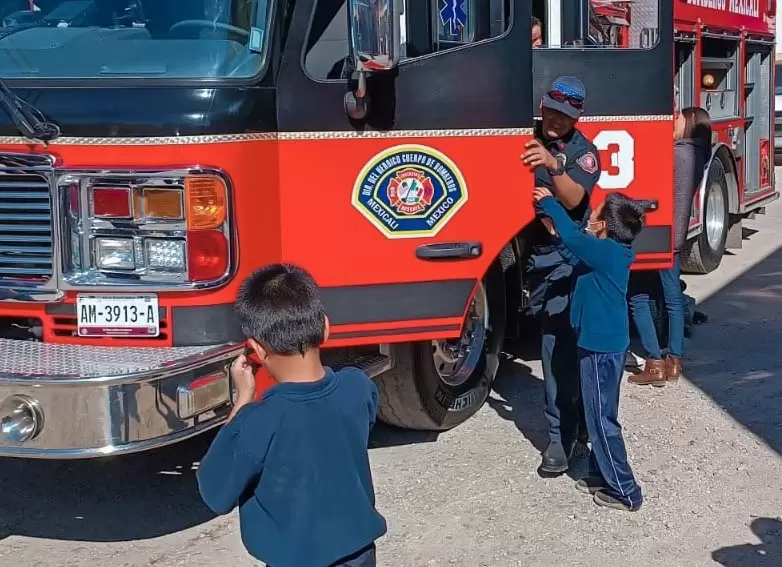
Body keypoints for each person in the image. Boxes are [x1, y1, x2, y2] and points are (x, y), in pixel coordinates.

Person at [196, 264, 387, 567]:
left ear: (257, 350)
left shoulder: (257, 420)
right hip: (359, 554)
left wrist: (243, 398)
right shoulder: (358, 387)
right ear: (325, 327)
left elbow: (215, 490)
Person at [532, 187, 646, 512]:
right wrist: (560, 234)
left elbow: (573, 237)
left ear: (605, 227)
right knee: (599, 411)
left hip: (599, 348)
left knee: (600, 420)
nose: (590, 215)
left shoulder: (606, 252)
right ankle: (601, 473)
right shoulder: (609, 252)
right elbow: (575, 251)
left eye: (595, 213)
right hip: (603, 345)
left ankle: (625, 490)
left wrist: (549, 203)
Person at [521, 76, 601, 474]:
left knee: (564, 352)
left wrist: (553, 166)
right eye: (551, 111)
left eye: (565, 115)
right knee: (550, 351)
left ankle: (566, 435)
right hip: (533, 258)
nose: (556, 120)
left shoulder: (583, 152)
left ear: (577, 116)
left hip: (568, 260)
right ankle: (569, 427)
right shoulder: (524, 134)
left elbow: (574, 198)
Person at [628, 107, 711, 386]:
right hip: (676, 237)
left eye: (677, 118)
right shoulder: (699, 154)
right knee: (673, 299)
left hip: (656, 233)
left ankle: (653, 363)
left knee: (638, 296)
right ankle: (674, 361)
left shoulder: (677, 153)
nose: (671, 121)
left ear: (688, 124)